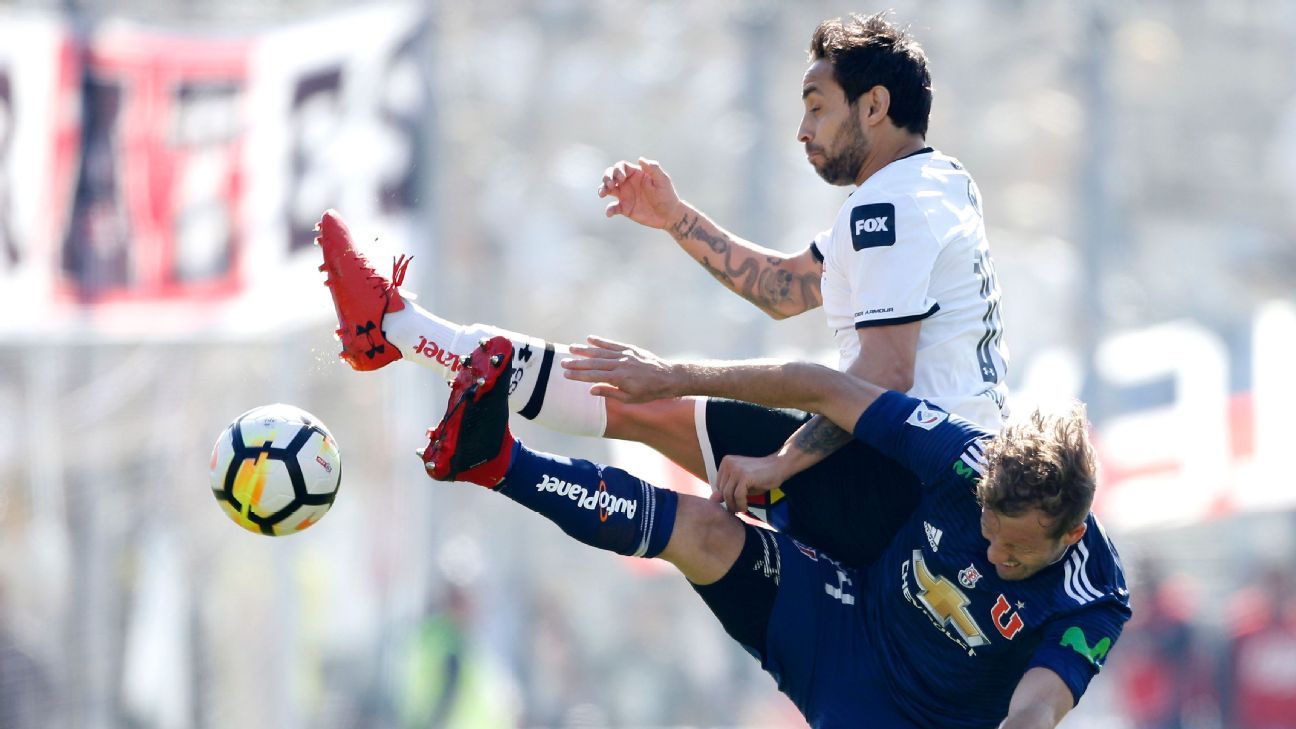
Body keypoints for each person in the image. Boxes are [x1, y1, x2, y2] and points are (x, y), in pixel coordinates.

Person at [315, 12, 1009, 567]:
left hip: (912, 485)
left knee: (648, 405)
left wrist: (782, 461)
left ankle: (400, 333)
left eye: (818, 107)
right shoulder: (934, 186)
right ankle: (402, 334)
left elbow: (884, 375)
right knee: (655, 416)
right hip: (937, 476)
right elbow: (781, 288)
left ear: (876, 106)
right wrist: (677, 218)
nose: (803, 130)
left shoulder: (890, 209)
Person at [412, 334, 1128, 729]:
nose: (993, 553)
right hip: (845, 619)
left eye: (1015, 550)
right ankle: (495, 461)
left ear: (1068, 535)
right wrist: (673, 374)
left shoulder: (1094, 595)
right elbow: (827, 387)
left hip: (898, 720)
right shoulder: (964, 458)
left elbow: (1039, 704)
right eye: (987, 530)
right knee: (704, 532)